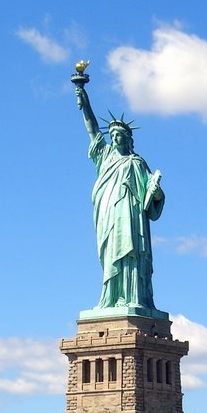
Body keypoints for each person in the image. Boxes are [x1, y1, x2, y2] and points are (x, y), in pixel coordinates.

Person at [74, 84, 164, 312]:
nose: (114, 138)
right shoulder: (104, 156)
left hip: (132, 216)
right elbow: (93, 129)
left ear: (127, 139)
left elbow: (151, 197)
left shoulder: (137, 162)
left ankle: (135, 298)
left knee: (132, 252)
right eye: (112, 135)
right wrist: (84, 100)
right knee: (111, 254)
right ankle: (111, 298)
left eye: (119, 135)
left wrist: (155, 192)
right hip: (109, 214)